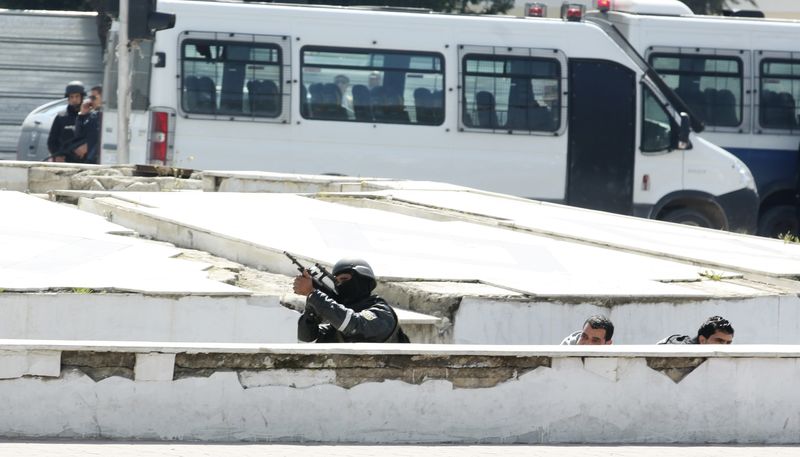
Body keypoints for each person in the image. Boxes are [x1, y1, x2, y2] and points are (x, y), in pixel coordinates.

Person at [292, 258, 408, 343]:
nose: (340, 285)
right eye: (336, 282)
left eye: (344, 279)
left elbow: (353, 325)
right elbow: (306, 337)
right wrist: (312, 306)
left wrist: (313, 294)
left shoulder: (382, 312)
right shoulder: (337, 325)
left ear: (362, 280)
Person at [47, 80, 85, 162]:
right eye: (71, 97)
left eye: (77, 96)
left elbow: (95, 138)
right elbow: (51, 141)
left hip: (85, 162)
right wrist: (57, 155)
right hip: (64, 161)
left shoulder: (89, 117)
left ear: (82, 97)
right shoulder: (61, 117)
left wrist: (87, 146)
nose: (74, 100)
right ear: (68, 98)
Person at [73, 85, 103, 164]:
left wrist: (88, 145)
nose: (90, 101)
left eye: (93, 98)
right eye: (90, 98)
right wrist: (82, 114)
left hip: (98, 159)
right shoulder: (92, 115)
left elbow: (103, 136)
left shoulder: (107, 116)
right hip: (89, 159)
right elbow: (78, 134)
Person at [658, 315, 734, 344]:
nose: (725, 346)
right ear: (702, 340)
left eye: (728, 343)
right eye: (719, 341)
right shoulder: (677, 347)